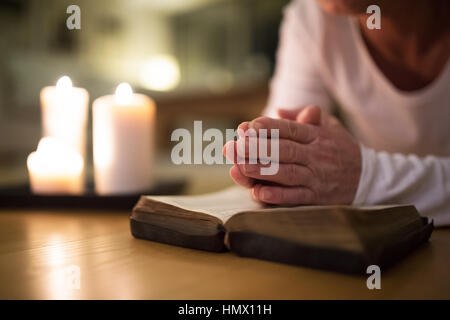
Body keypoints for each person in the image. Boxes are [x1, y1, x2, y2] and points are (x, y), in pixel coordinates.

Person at [224, 0, 450, 226]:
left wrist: (366, 177)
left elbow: (346, 179)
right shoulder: (312, 18)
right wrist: (280, 171)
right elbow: (283, 150)